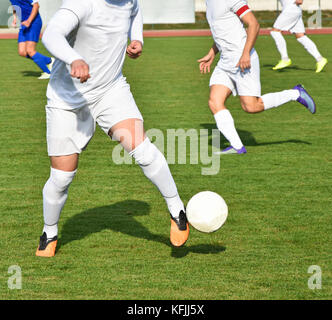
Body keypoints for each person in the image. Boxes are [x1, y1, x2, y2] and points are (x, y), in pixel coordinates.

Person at [35, 0, 189, 257]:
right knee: (62, 178)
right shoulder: (82, 3)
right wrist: (74, 58)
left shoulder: (129, 1)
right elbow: (51, 33)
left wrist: (137, 38)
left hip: (110, 91)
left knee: (142, 149)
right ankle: (49, 231)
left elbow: (135, 10)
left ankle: (177, 210)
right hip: (66, 100)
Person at [197, 0, 316, 155]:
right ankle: (237, 146)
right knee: (214, 101)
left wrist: (246, 53)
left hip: (242, 59)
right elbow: (223, 30)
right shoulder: (210, 2)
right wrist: (212, 52)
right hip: (225, 61)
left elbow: (253, 24)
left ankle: (295, 94)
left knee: (251, 107)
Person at [271, 0, 328, 73]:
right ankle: (320, 59)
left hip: (290, 10)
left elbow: (300, 1)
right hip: (294, 10)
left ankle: (285, 59)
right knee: (301, 36)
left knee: (275, 31)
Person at [10, 0, 54, 79]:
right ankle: (50, 60)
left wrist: (29, 21)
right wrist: (15, 19)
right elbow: (15, 6)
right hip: (24, 23)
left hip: (34, 22)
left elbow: (36, 6)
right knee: (22, 52)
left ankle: (48, 73)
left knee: (30, 51)